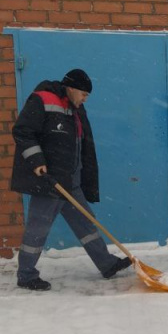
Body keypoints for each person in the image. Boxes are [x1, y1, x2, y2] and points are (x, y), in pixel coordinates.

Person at [10, 68, 132, 291]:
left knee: (86, 223)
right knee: (38, 229)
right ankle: (26, 275)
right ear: (72, 88)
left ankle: (106, 264)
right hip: (50, 181)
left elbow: (81, 144)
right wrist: (37, 160)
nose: (85, 99)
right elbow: (23, 131)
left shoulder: (75, 109)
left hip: (70, 180)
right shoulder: (42, 99)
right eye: (84, 94)